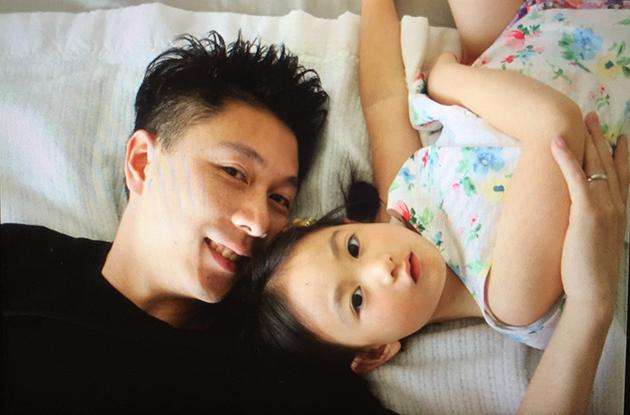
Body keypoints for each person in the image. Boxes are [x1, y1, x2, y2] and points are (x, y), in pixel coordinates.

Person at [235, 0, 628, 402]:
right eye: (357, 299)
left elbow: (383, 101)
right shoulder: (510, 295)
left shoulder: (405, 206)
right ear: (376, 351)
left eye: (353, 246)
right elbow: (555, 126)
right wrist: (446, 82)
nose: (380, 267)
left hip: (529, 33)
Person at [2, 31, 390, 413]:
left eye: (279, 199)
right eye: (233, 172)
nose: (260, 223)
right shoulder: (20, 262)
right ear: (142, 162)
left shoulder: (281, 360)